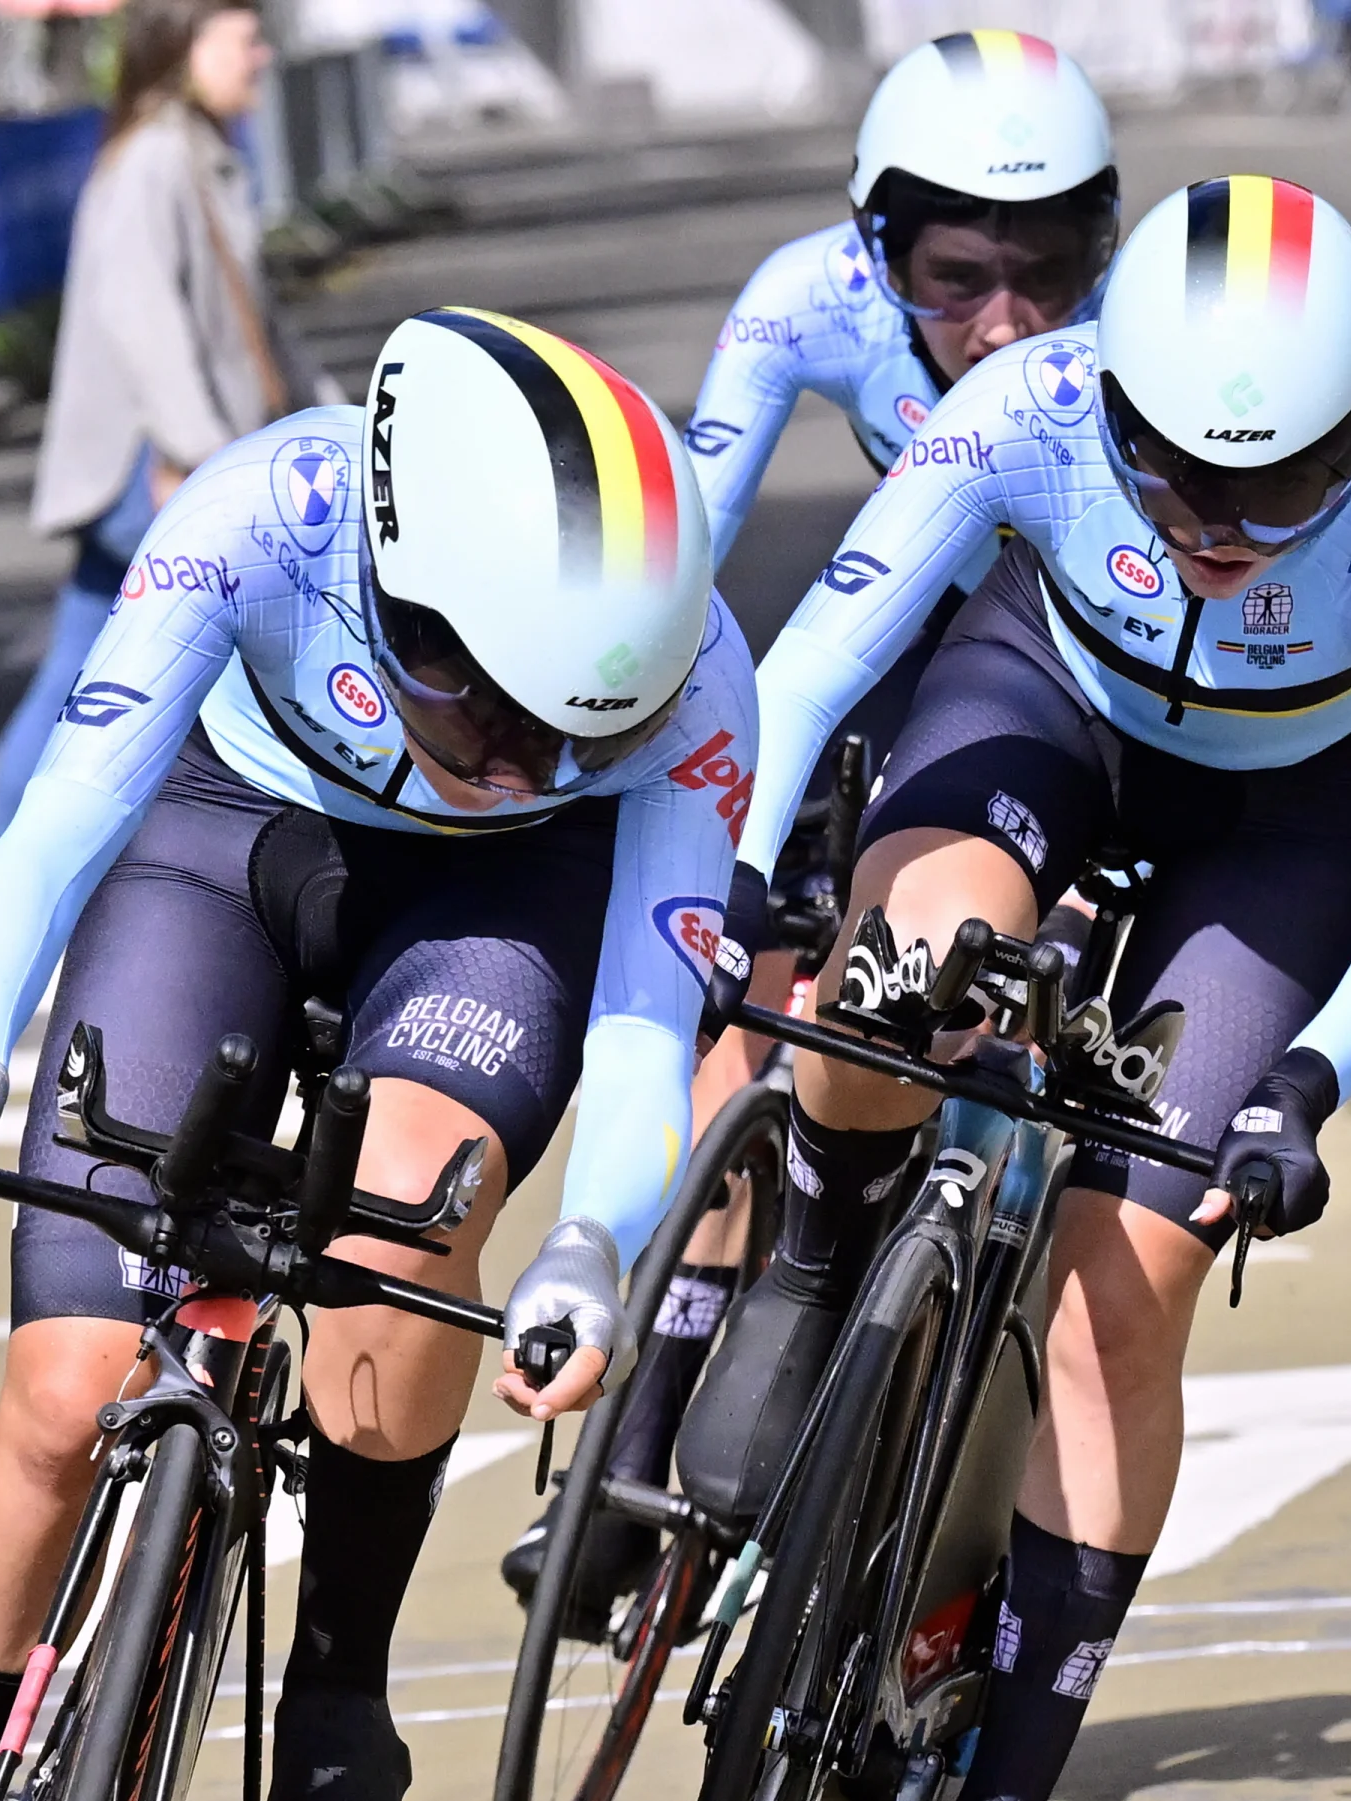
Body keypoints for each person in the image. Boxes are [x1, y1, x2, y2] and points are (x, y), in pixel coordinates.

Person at [0, 307, 759, 1801]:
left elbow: (640, 1023)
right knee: (64, 1393)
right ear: (385, 569)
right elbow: (62, 824)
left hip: (488, 926)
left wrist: (595, 1245)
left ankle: (339, 1697)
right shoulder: (257, 515)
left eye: (577, 728)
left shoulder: (695, 681)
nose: (528, 754)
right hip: (224, 839)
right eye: (489, 702)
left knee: (410, 1219)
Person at [679, 179, 1351, 1801]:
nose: (1220, 526)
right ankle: (814, 1264)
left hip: (1276, 831)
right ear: (1103, 396)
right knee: (898, 958)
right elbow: (809, 666)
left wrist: (1302, 1088)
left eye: (1279, 483)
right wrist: (735, 876)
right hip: (1042, 698)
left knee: (1121, 1284)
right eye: (1174, 470)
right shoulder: (1024, 412)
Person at [500, 27, 1120, 1621]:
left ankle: (950, 1439)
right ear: (872, 253)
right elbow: (681, 557)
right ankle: (643, 1453)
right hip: (879, 620)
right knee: (740, 1005)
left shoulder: (1134, 349)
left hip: (1060, 651)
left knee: (1016, 1007)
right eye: (955, 274)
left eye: (1048, 270)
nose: (1003, 319)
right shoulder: (803, 303)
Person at [0, 0, 328, 854]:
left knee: (86, 676)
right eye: (243, 39)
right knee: (220, 671)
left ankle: (20, 885)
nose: (262, 55)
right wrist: (204, 458)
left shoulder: (197, 151)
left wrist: (337, 419)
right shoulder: (157, 158)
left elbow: (259, 324)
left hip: (165, 464)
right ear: (183, 46)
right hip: (153, 470)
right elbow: (146, 322)